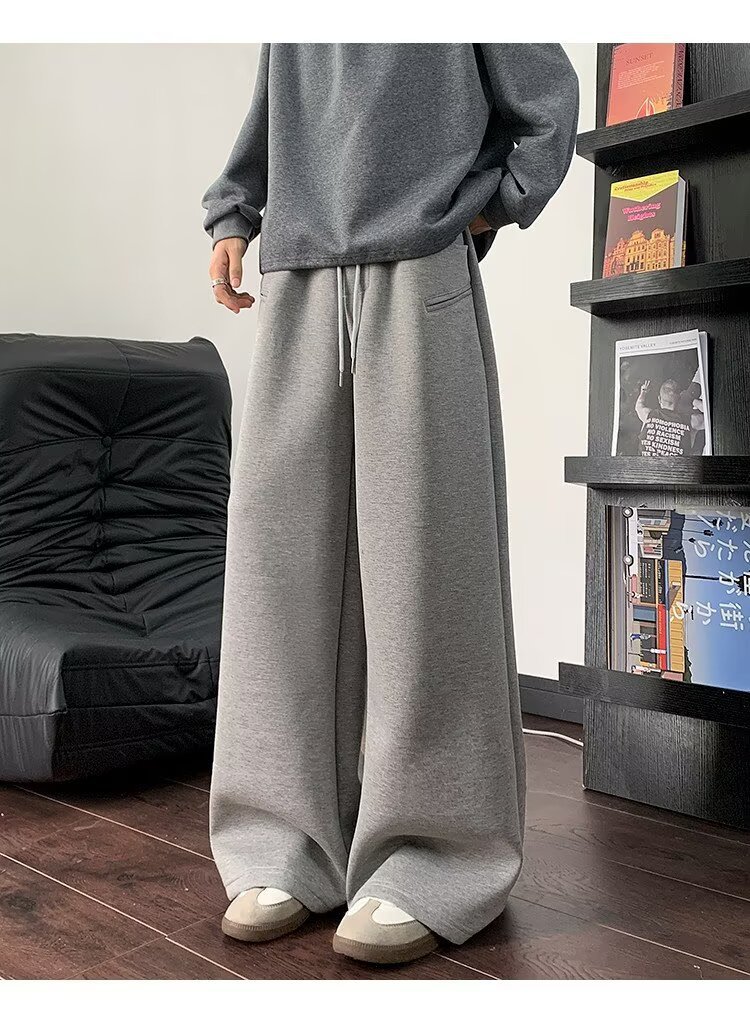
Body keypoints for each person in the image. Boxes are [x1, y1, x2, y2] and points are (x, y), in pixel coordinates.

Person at [202, 43, 579, 965]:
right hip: (297, 274)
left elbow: (547, 104)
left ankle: (435, 857)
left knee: (426, 566)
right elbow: (273, 113)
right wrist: (234, 214)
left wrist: (483, 209)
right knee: (276, 569)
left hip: (418, 272)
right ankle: (281, 844)